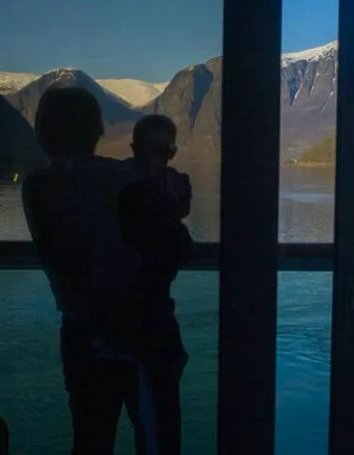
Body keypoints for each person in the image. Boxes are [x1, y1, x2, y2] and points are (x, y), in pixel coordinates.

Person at [22, 87, 145, 454]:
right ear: (97, 131)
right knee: (154, 437)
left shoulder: (35, 187)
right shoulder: (123, 178)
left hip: (80, 333)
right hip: (139, 329)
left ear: (42, 133)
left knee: (90, 439)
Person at [118, 114, 192, 455]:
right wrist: (170, 209)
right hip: (149, 332)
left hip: (120, 328)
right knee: (161, 433)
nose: (162, 160)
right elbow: (174, 249)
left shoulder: (117, 187)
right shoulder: (131, 196)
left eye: (167, 151)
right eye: (159, 151)